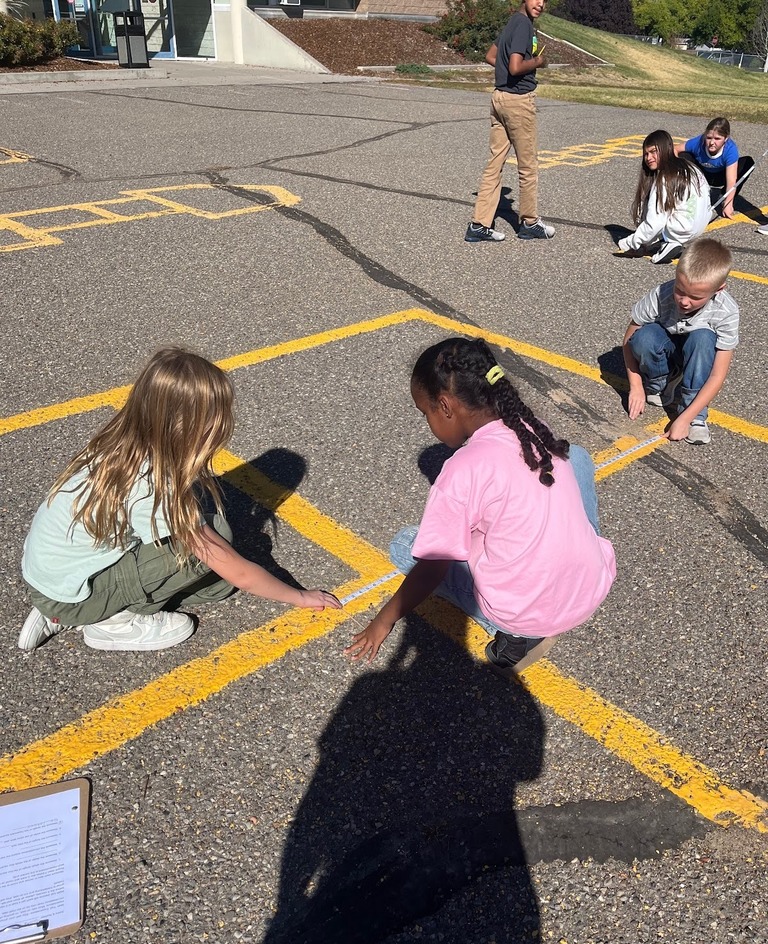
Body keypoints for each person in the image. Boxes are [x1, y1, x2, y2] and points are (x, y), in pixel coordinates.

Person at [18, 347, 341, 653]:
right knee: (210, 552)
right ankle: (110, 624)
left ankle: (63, 607)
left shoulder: (118, 443)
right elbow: (239, 572)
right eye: (218, 416)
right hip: (71, 596)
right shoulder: (152, 484)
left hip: (52, 577)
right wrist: (298, 596)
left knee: (217, 583)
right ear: (189, 425)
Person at [344, 336, 616, 672]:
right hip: (589, 585)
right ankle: (578, 555)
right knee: (576, 456)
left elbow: (433, 566)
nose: (428, 422)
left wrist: (382, 623)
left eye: (425, 412)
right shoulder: (531, 426)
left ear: (445, 406)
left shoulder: (463, 467)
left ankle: (515, 638)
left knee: (405, 544)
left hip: (530, 612)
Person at [621, 237, 738, 447]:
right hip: (670, 348)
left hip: (698, 356)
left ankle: (695, 415)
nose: (684, 301)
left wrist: (683, 418)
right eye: (680, 290)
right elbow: (627, 341)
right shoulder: (661, 295)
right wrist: (636, 386)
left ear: (718, 290)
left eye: (695, 297)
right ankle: (662, 381)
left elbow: (717, 374)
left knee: (703, 338)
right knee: (644, 337)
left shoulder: (726, 312)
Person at [465, 0, 554, 244]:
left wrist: (506, 69)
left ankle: (479, 224)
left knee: (495, 163)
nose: (541, 4)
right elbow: (515, 67)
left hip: (499, 99)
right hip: (518, 101)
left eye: (545, 0)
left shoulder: (513, 22)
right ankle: (529, 222)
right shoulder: (523, 25)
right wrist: (538, 62)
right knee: (528, 165)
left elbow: (491, 56)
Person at [616, 130, 710, 264]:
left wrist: (630, 242)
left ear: (665, 149)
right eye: (646, 154)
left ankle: (671, 243)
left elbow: (655, 222)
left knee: (656, 218)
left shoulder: (665, 178)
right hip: (700, 226)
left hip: (680, 229)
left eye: (654, 151)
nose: (648, 158)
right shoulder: (689, 167)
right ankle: (671, 241)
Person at [674, 117, 754, 219]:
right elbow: (674, 149)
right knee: (683, 156)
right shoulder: (698, 142)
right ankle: (687, 193)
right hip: (701, 175)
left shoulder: (730, 149)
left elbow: (731, 179)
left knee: (748, 163)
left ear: (726, 138)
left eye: (717, 139)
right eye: (708, 138)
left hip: (720, 176)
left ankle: (723, 196)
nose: (712, 142)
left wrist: (728, 203)